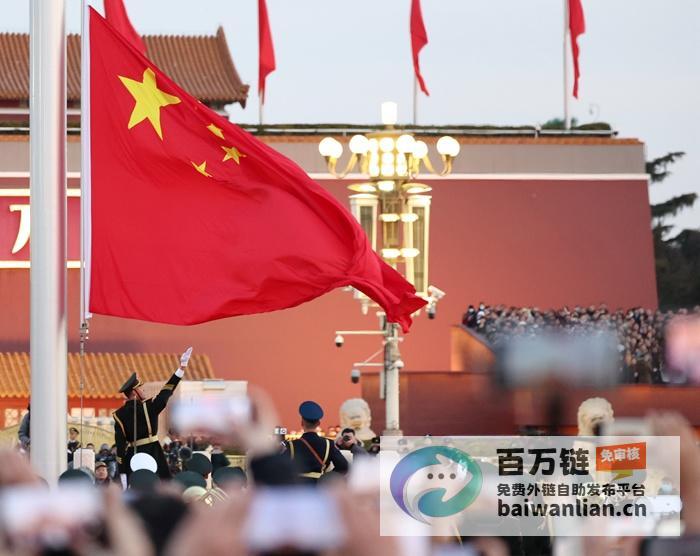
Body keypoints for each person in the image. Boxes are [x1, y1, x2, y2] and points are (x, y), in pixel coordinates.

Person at [113, 347, 192, 483]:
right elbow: (166, 392)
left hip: (133, 455)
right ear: (136, 391)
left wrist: (122, 473)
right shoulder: (148, 407)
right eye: (141, 388)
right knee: (162, 485)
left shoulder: (118, 415)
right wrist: (181, 369)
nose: (144, 390)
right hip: (153, 452)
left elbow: (120, 447)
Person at [285, 401, 348, 484]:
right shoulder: (328, 444)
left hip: (298, 488)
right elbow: (344, 466)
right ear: (318, 423)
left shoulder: (292, 445)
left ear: (302, 422)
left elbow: (281, 468)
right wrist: (326, 477)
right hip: (319, 487)